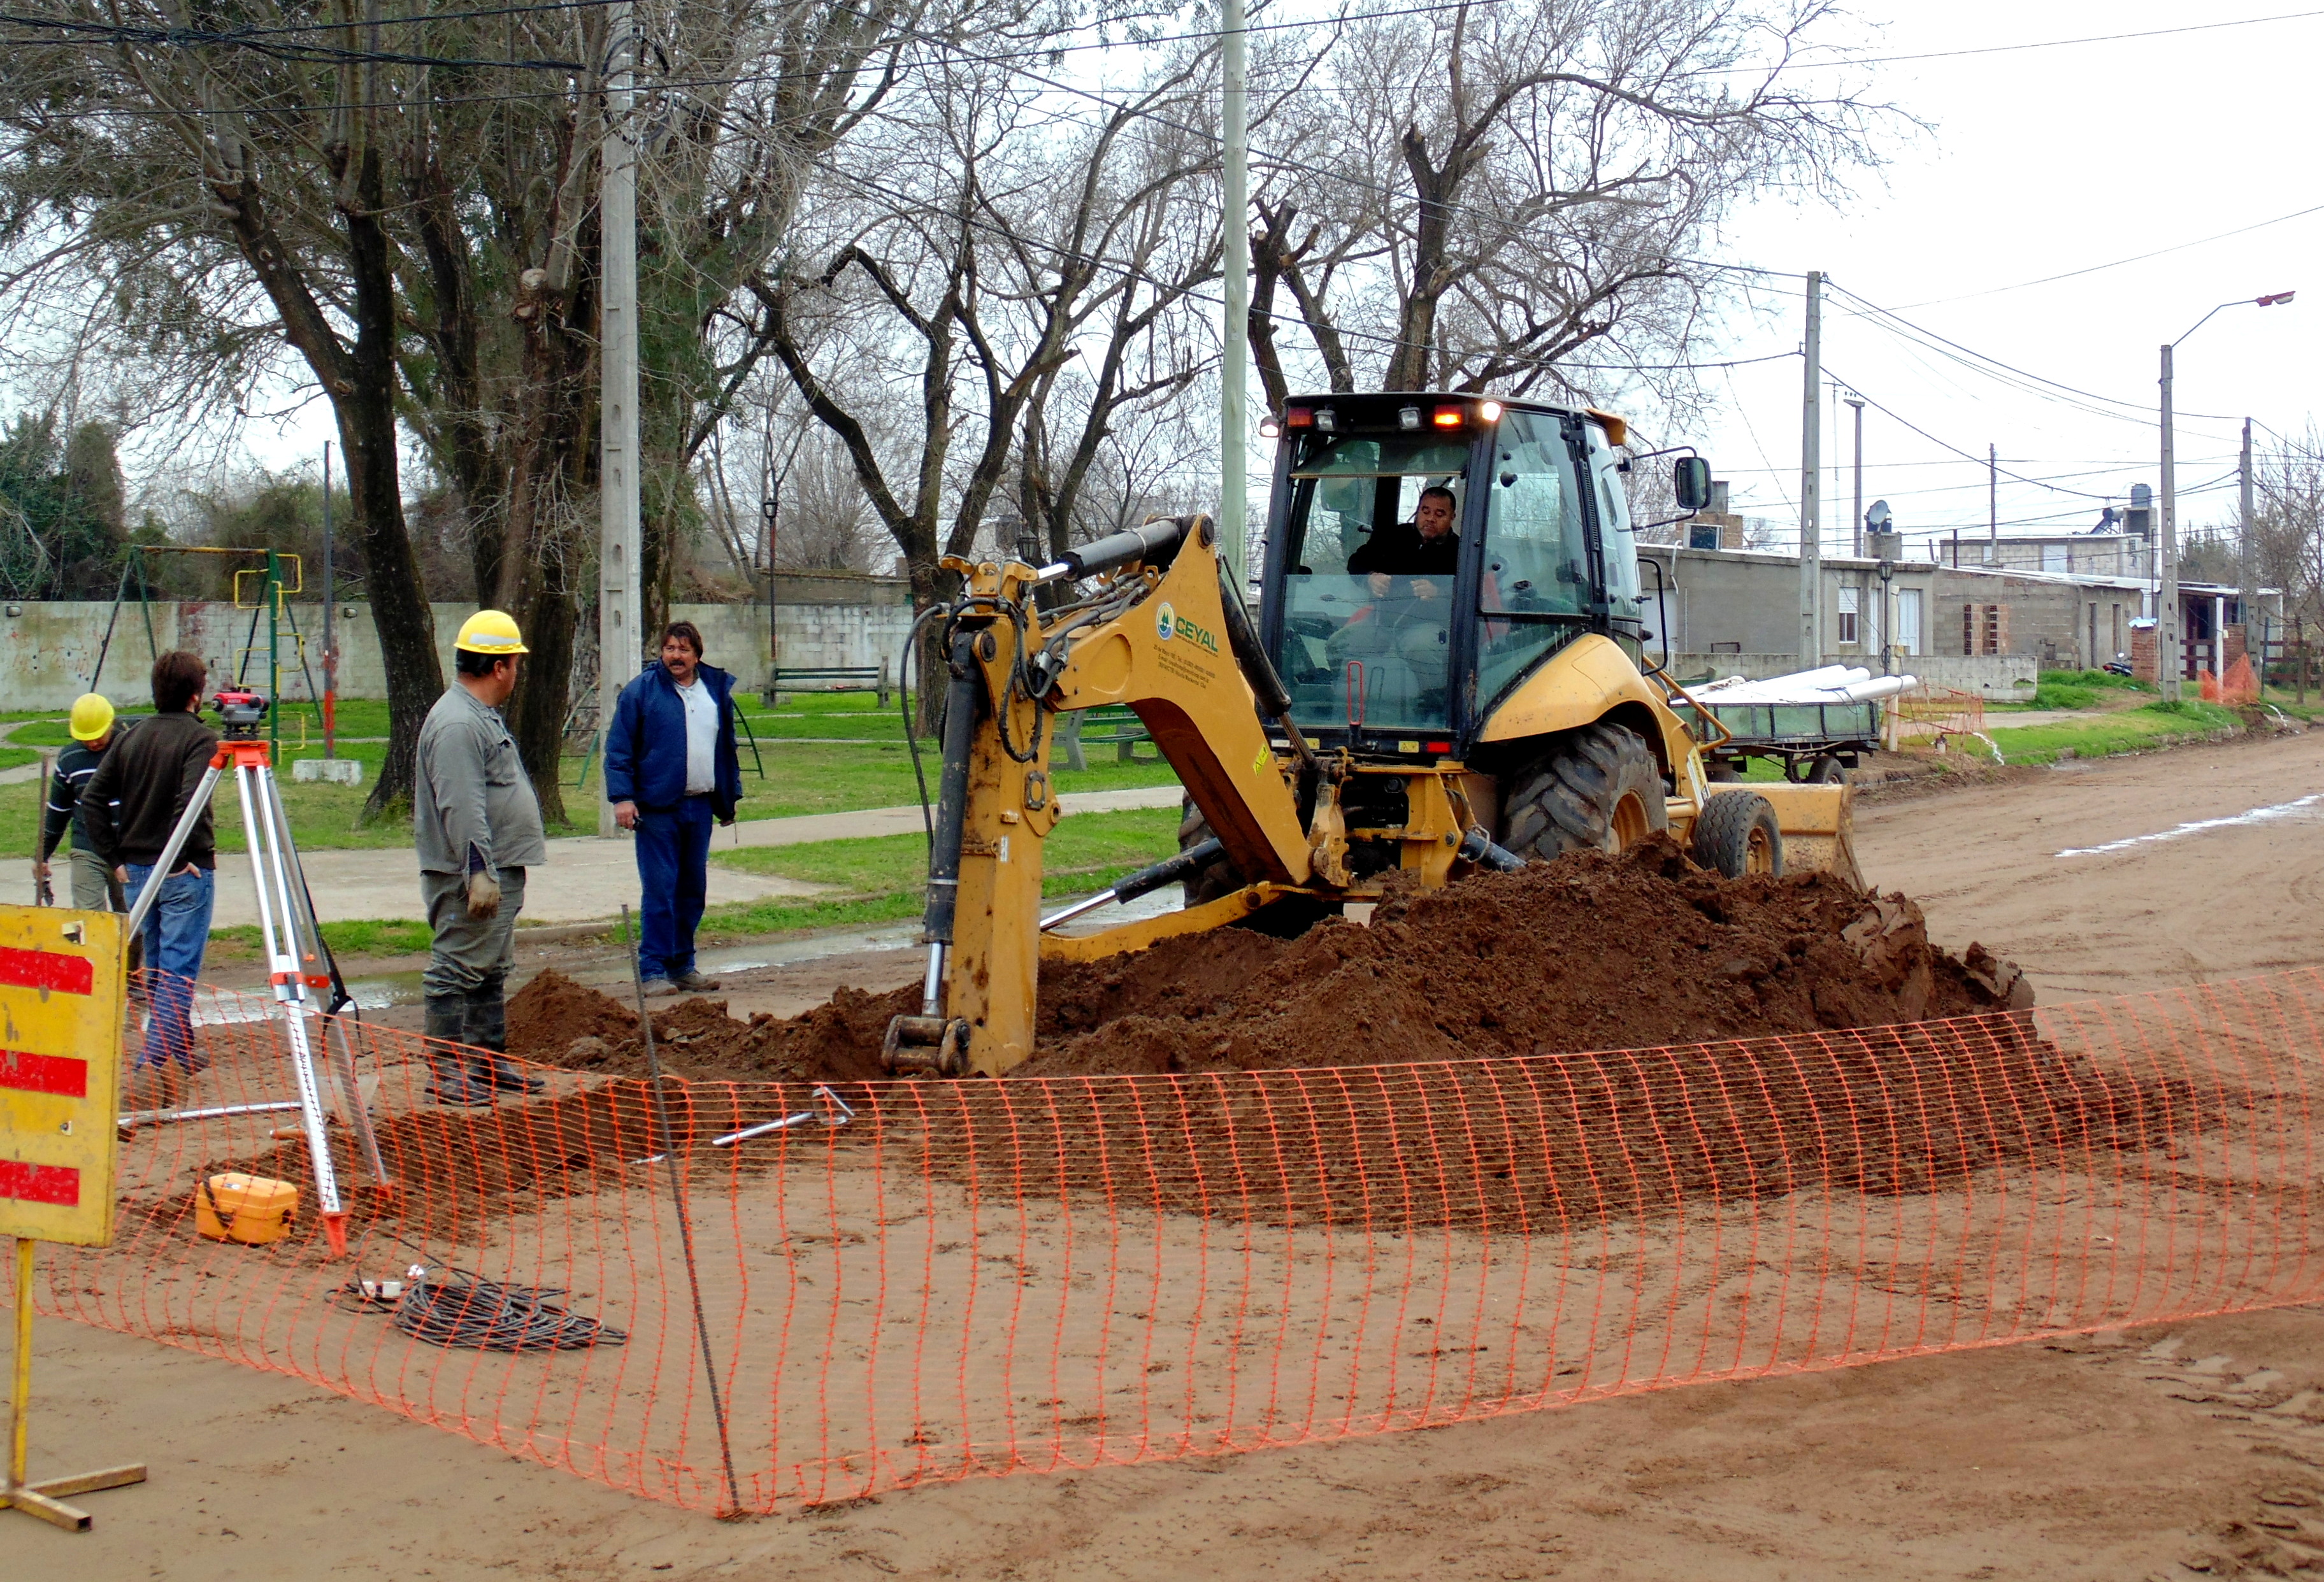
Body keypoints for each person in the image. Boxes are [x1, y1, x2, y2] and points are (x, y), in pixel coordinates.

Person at [413, 610, 547, 1106]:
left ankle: (487, 1064)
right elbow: (461, 804)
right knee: (455, 968)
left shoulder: (476, 716)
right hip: (470, 874)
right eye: (515, 662)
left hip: (494, 868)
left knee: (489, 967)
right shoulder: (456, 724)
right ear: (499, 667)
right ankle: (446, 1072)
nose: (516, 671)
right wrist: (478, 873)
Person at [82, 653, 219, 1072]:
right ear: (196, 694)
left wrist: (115, 859)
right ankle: (152, 1063)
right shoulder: (200, 739)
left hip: (139, 871)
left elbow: (91, 799)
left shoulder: (131, 736)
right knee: (177, 969)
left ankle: (176, 1053)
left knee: (159, 966)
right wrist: (176, 857)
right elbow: (189, 803)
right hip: (182, 872)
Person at [605, 620, 743, 997]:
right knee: (660, 891)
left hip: (699, 808)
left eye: (683, 650)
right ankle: (652, 971)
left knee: (691, 890)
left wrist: (727, 800)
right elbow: (618, 750)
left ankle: (682, 965)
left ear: (698, 654)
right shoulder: (641, 693)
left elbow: (725, 749)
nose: (675, 656)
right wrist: (622, 798)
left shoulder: (714, 691)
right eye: (669, 649)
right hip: (657, 810)